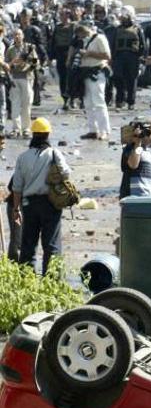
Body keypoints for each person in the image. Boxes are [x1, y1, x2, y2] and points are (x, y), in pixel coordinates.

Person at [11, 117, 71, 274]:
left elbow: (17, 187)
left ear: (33, 134)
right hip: (51, 203)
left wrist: (16, 209)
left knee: (28, 245)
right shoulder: (54, 154)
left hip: (29, 205)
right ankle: (52, 280)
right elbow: (66, 173)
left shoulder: (23, 157)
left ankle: (26, 279)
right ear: (47, 135)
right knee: (51, 244)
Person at [77, 19, 112, 141]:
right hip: (85, 72)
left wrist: (89, 53)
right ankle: (93, 130)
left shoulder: (99, 38)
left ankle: (105, 131)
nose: (80, 33)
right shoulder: (83, 40)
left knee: (99, 102)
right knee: (88, 103)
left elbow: (107, 56)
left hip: (97, 72)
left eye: (82, 30)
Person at [110, 5, 145, 110]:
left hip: (132, 56)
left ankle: (131, 102)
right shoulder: (117, 29)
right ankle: (119, 101)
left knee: (132, 79)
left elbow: (143, 44)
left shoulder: (137, 28)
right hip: (119, 56)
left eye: (125, 15)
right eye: (122, 16)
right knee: (118, 78)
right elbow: (113, 43)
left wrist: (141, 56)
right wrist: (112, 57)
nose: (123, 17)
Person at [6, 28, 39, 138]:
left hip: (27, 78)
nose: (17, 37)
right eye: (15, 35)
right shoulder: (10, 50)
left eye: (19, 34)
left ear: (23, 36)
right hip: (15, 78)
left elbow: (35, 62)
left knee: (26, 104)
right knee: (15, 103)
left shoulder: (29, 48)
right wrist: (14, 64)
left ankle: (26, 129)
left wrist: (27, 66)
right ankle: (16, 128)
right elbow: (6, 64)